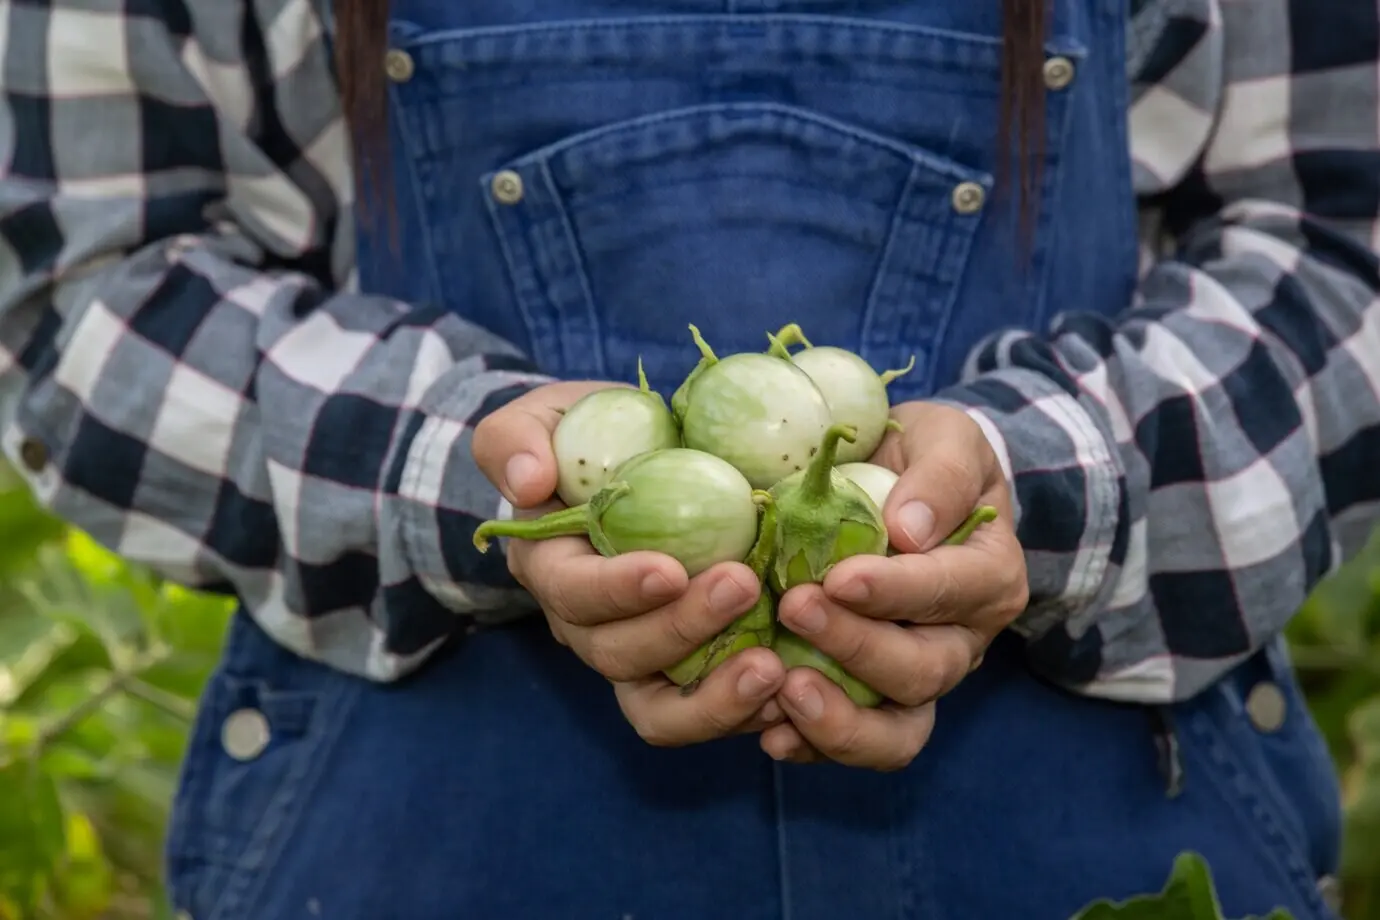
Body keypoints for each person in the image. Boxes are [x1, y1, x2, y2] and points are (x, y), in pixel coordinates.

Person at [1, 0, 1376, 916]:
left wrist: (1044, 483)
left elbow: (1344, 245)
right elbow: (84, 300)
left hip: (1081, 843)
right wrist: (464, 477)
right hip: (432, 840)